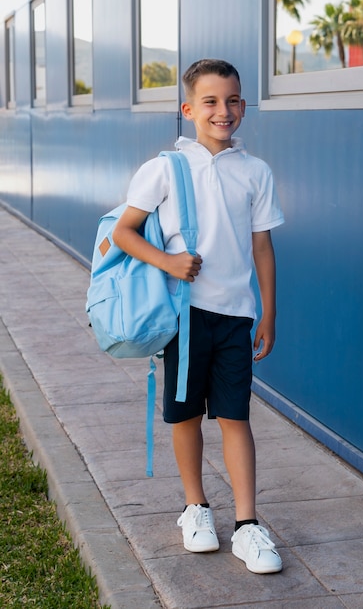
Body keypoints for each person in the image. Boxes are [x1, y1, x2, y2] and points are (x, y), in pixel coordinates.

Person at [113, 59, 284, 574]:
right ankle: (196, 509)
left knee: (236, 416)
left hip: (235, 316)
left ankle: (249, 526)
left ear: (244, 107)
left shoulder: (255, 171)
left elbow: (263, 248)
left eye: (232, 100)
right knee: (185, 414)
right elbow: (123, 232)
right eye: (210, 101)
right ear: (188, 109)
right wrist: (167, 261)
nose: (223, 111)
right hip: (185, 317)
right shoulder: (166, 167)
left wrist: (268, 313)